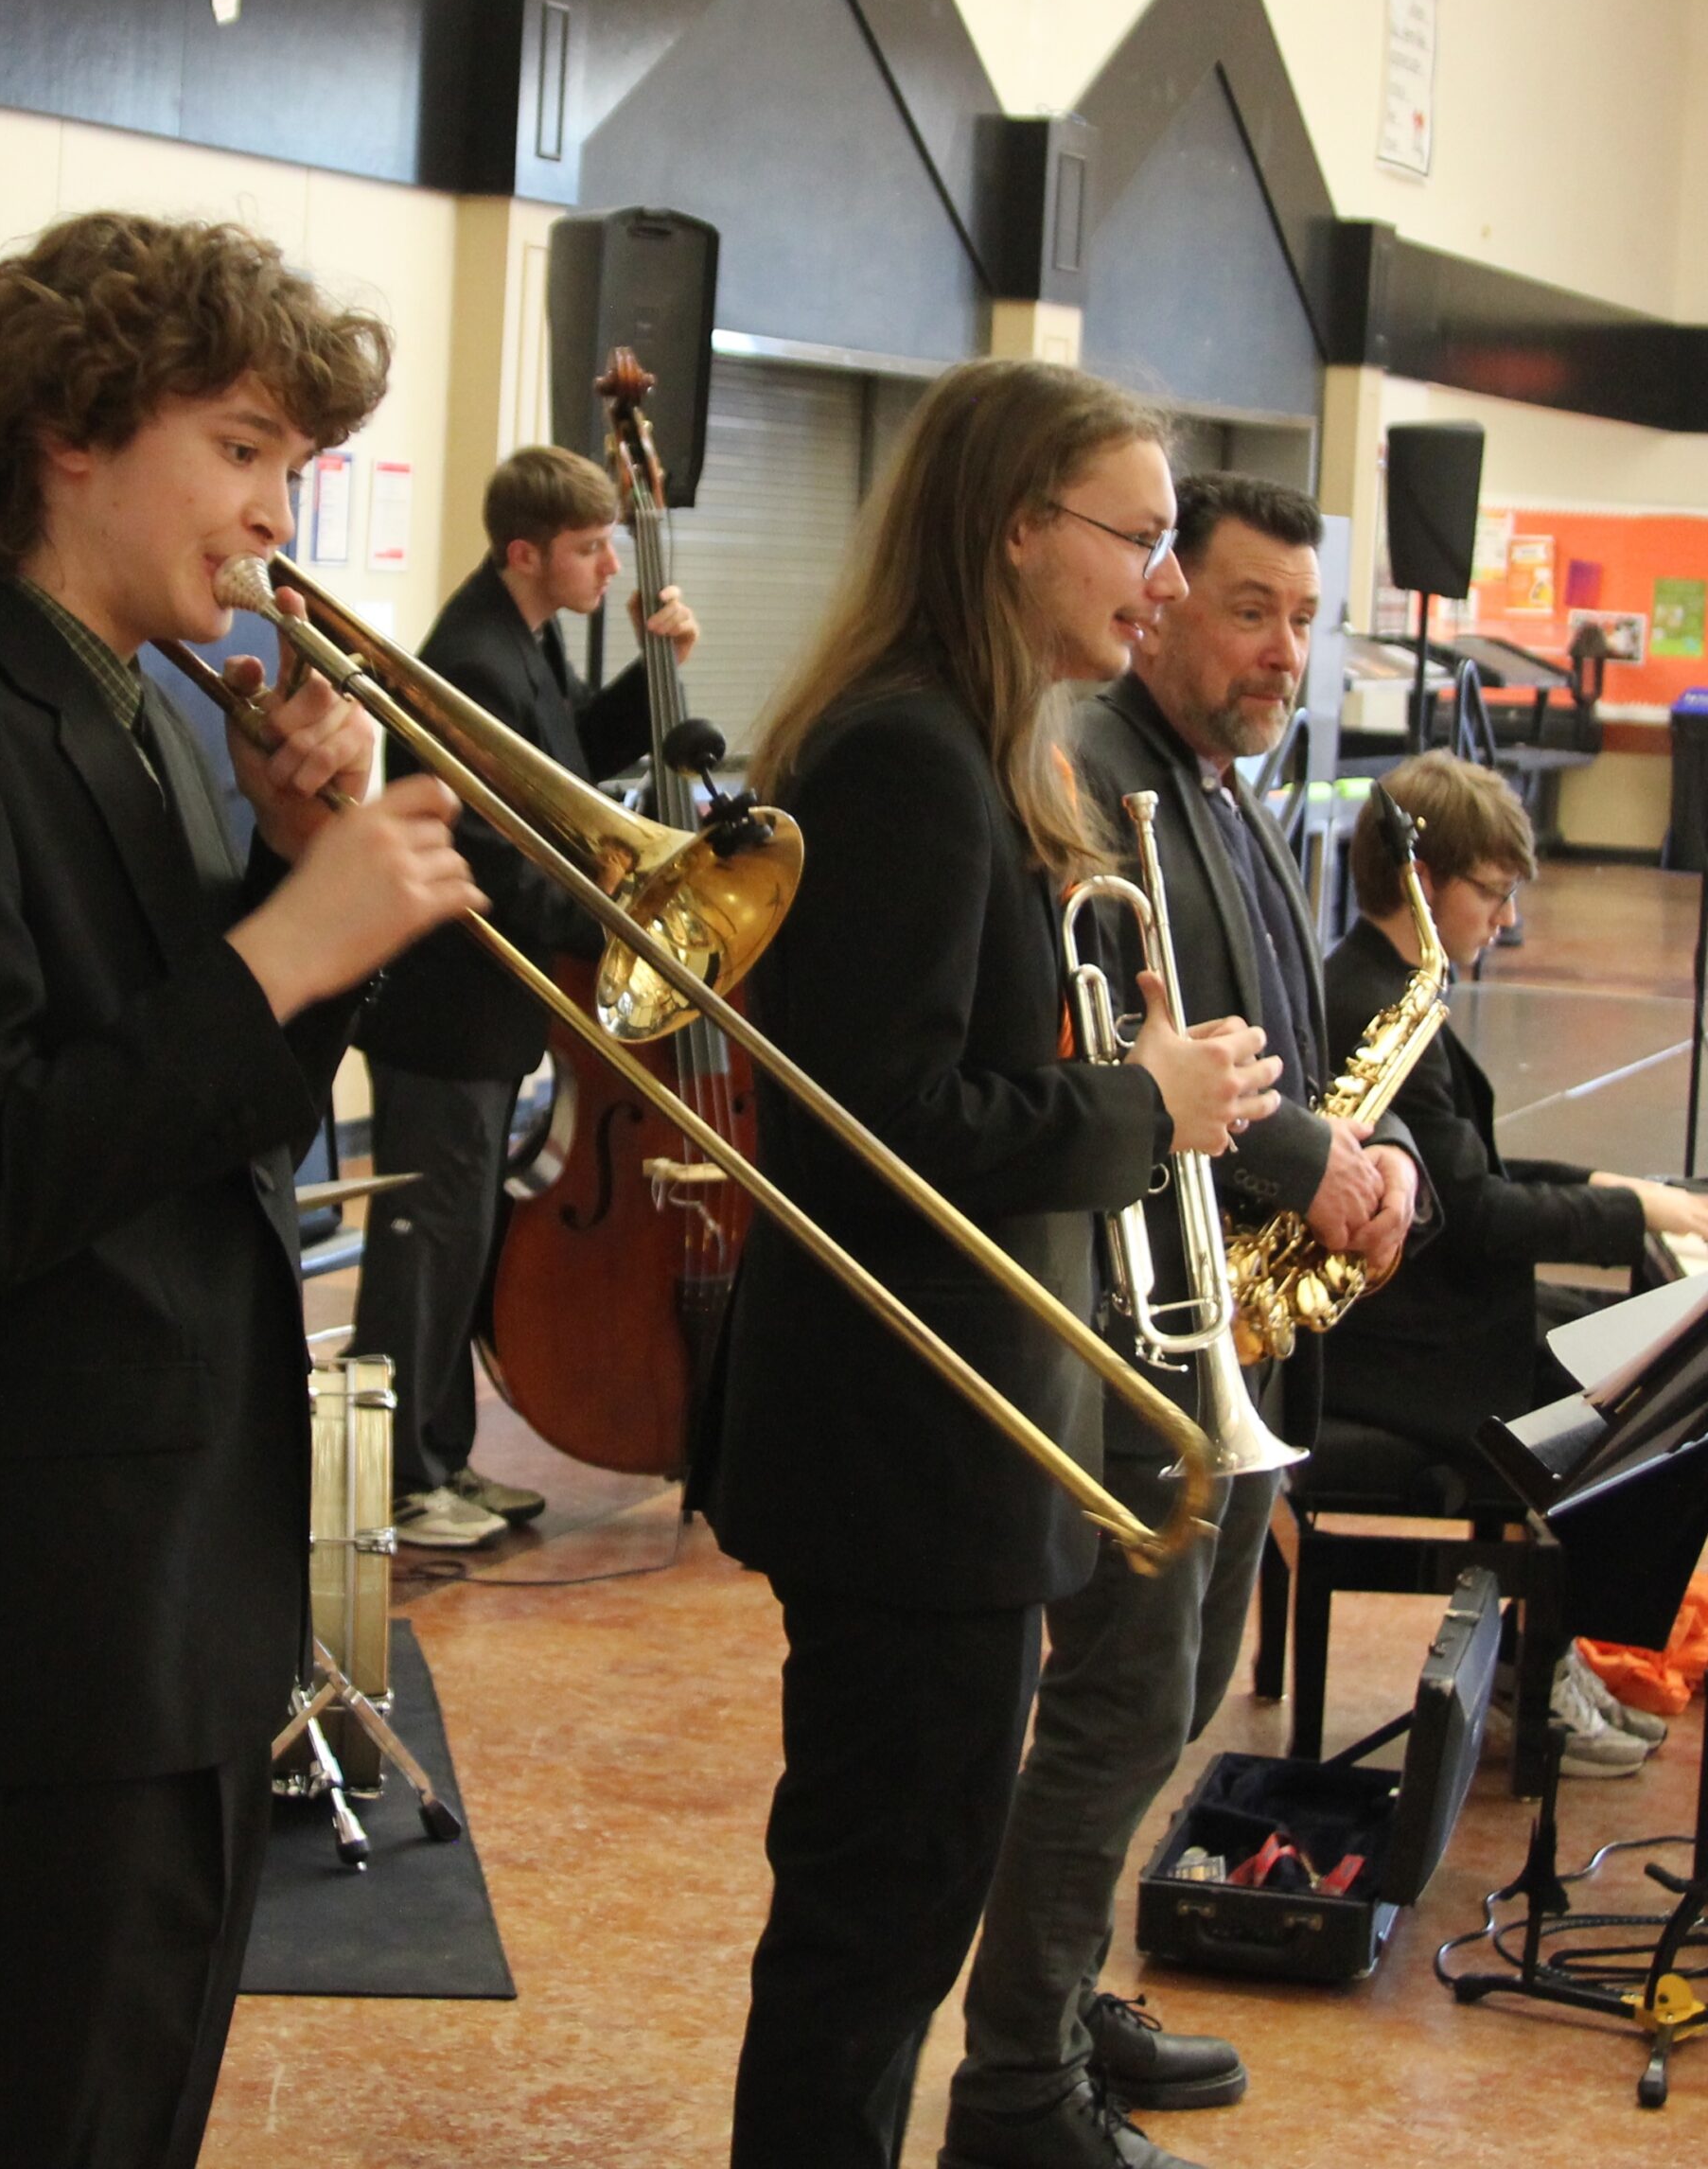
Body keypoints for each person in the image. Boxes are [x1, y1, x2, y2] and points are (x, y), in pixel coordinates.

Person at [0, 211, 481, 2169]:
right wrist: (284, 949)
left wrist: (285, 890)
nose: (273, 512)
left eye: (288, 466)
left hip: (157, 1582)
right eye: (241, 447)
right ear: (73, 429)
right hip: (26, 1615)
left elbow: (185, 1111)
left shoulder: (141, 706)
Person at [700, 362, 1279, 2169]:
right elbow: (890, 1125)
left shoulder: (960, 736)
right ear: (1019, 527)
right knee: (876, 1926)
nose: (1165, 584)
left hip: (939, 1436)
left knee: (892, 1901)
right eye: (1143, 539)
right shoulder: (910, 753)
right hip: (907, 1448)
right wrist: (1142, 1104)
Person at [943, 472, 1422, 2169]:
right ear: (1162, 601)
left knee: (1184, 1690)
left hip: (1247, 1317)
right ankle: (1017, 2087)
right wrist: (1311, 1161)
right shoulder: (1091, 763)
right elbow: (1136, 1041)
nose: (1284, 649)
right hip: (1143, 1333)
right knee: (1122, 1706)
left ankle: (1065, 1999)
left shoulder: (1232, 789)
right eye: (1248, 609)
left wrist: (1382, 1159)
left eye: (1304, 617)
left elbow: (1290, 1038)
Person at [1324, 747, 1702, 1771]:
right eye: (1490, 892)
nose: (1504, 918)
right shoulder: (1373, 1005)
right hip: (1406, 1355)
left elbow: (1467, 1167)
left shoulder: (1385, 981)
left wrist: (1621, 1191)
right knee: (1662, 1396)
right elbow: (1479, 1211)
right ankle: (1539, 1672)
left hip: (1438, 1315)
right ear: (1424, 881)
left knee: (1653, 1345)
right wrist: (1632, 1213)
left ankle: (1554, 1646)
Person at [348, 443, 697, 1548]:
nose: (610, 568)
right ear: (525, 552)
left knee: (456, 1239)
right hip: (446, 1008)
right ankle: (399, 1482)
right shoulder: (475, 661)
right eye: (592, 549)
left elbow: (561, 758)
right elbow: (503, 859)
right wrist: (612, 917)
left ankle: (440, 1458)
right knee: (425, 1245)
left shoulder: (519, 643)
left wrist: (653, 677)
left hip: (484, 1014)